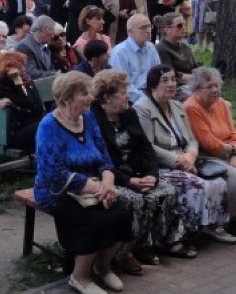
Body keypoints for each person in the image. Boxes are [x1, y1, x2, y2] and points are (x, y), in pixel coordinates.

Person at [34, 72, 132, 294]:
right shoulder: (48, 126)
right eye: (84, 93)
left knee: (121, 210)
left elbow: (104, 157)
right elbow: (53, 173)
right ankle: (80, 276)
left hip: (94, 185)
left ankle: (103, 266)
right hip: (56, 190)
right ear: (66, 98)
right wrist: (96, 188)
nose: (90, 98)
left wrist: (107, 182)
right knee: (93, 219)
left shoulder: (88, 118)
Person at [90, 70, 187, 268]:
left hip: (138, 172)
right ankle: (124, 253)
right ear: (107, 97)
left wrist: (152, 175)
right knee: (134, 201)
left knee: (166, 191)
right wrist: (129, 181)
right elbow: (100, 161)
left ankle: (148, 244)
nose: (128, 95)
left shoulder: (128, 112)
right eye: (123, 92)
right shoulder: (93, 120)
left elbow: (145, 148)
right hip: (112, 176)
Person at [134, 65, 233, 244]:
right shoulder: (143, 108)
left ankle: (213, 226)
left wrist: (190, 156)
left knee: (218, 183)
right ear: (152, 85)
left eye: (173, 79)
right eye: (165, 80)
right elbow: (147, 146)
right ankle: (188, 233)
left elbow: (191, 140)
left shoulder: (177, 106)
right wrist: (179, 160)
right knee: (199, 185)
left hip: (187, 160)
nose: (171, 84)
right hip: (162, 164)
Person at [184, 67, 236, 217]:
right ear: (196, 90)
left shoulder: (221, 103)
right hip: (206, 156)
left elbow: (233, 133)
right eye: (209, 87)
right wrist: (231, 151)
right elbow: (209, 143)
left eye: (216, 85)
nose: (215, 90)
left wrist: (234, 153)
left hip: (228, 151)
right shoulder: (192, 108)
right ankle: (232, 220)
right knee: (234, 176)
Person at [0, 52, 44, 153]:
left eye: (23, 65)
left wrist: (20, 84)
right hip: (17, 132)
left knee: (55, 119)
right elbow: (28, 102)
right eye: (19, 67)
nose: (23, 69)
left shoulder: (27, 82)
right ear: (7, 70)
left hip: (34, 123)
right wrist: (17, 81)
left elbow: (38, 108)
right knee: (46, 124)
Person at [108, 14, 160, 103]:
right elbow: (122, 85)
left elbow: (158, 74)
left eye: (149, 26)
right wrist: (147, 101)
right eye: (143, 28)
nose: (148, 31)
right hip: (130, 99)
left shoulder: (151, 47)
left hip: (152, 93)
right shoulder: (120, 52)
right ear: (130, 32)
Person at [155, 12, 200, 96]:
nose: (183, 28)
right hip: (177, 88)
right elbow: (172, 75)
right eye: (179, 25)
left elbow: (195, 67)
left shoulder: (185, 47)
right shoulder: (161, 48)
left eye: (184, 24)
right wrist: (197, 78)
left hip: (194, 84)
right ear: (167, 29)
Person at [14, 15, 57, 81]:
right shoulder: (24, 46)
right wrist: (55, 74)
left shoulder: (46, 47)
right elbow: (31, 73)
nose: (53, 35)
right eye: (52, 30)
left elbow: (50, 69)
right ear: (45, 28)